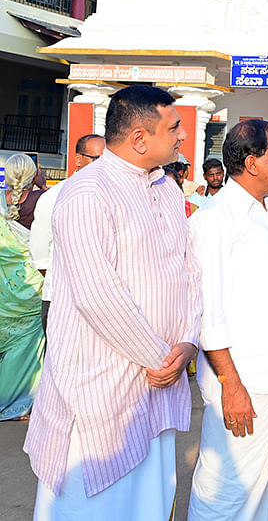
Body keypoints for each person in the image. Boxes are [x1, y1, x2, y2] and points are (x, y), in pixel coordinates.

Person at [25, 85, 200, 519]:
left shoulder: (168, 190)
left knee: (150, 501)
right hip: (99, 387)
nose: (182, 136)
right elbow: (97, 294)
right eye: (173, 127)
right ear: (140, 138)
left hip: (155, 386)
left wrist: (189, 343)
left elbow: (190, 273)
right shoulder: (88, 193)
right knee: (92, 504)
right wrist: (160, 357)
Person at [188, 120, 268, 518]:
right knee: (228, 491)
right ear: (252, 162)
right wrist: (231, 385)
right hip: (247, 386)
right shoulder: (216, 220)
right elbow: (210, 312)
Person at [30, 134, 105, 333]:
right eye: (97, 158)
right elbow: (40, 255)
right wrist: (66, 281)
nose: (103, 165)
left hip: (101, 305)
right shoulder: (54, 196)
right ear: (78, 159)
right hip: (60, 300)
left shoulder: (114, 197)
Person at [0, 153, 46, 421]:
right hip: (31, 286)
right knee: (27, 344)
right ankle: (17, 402)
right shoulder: (40, 200)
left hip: (5, 286)